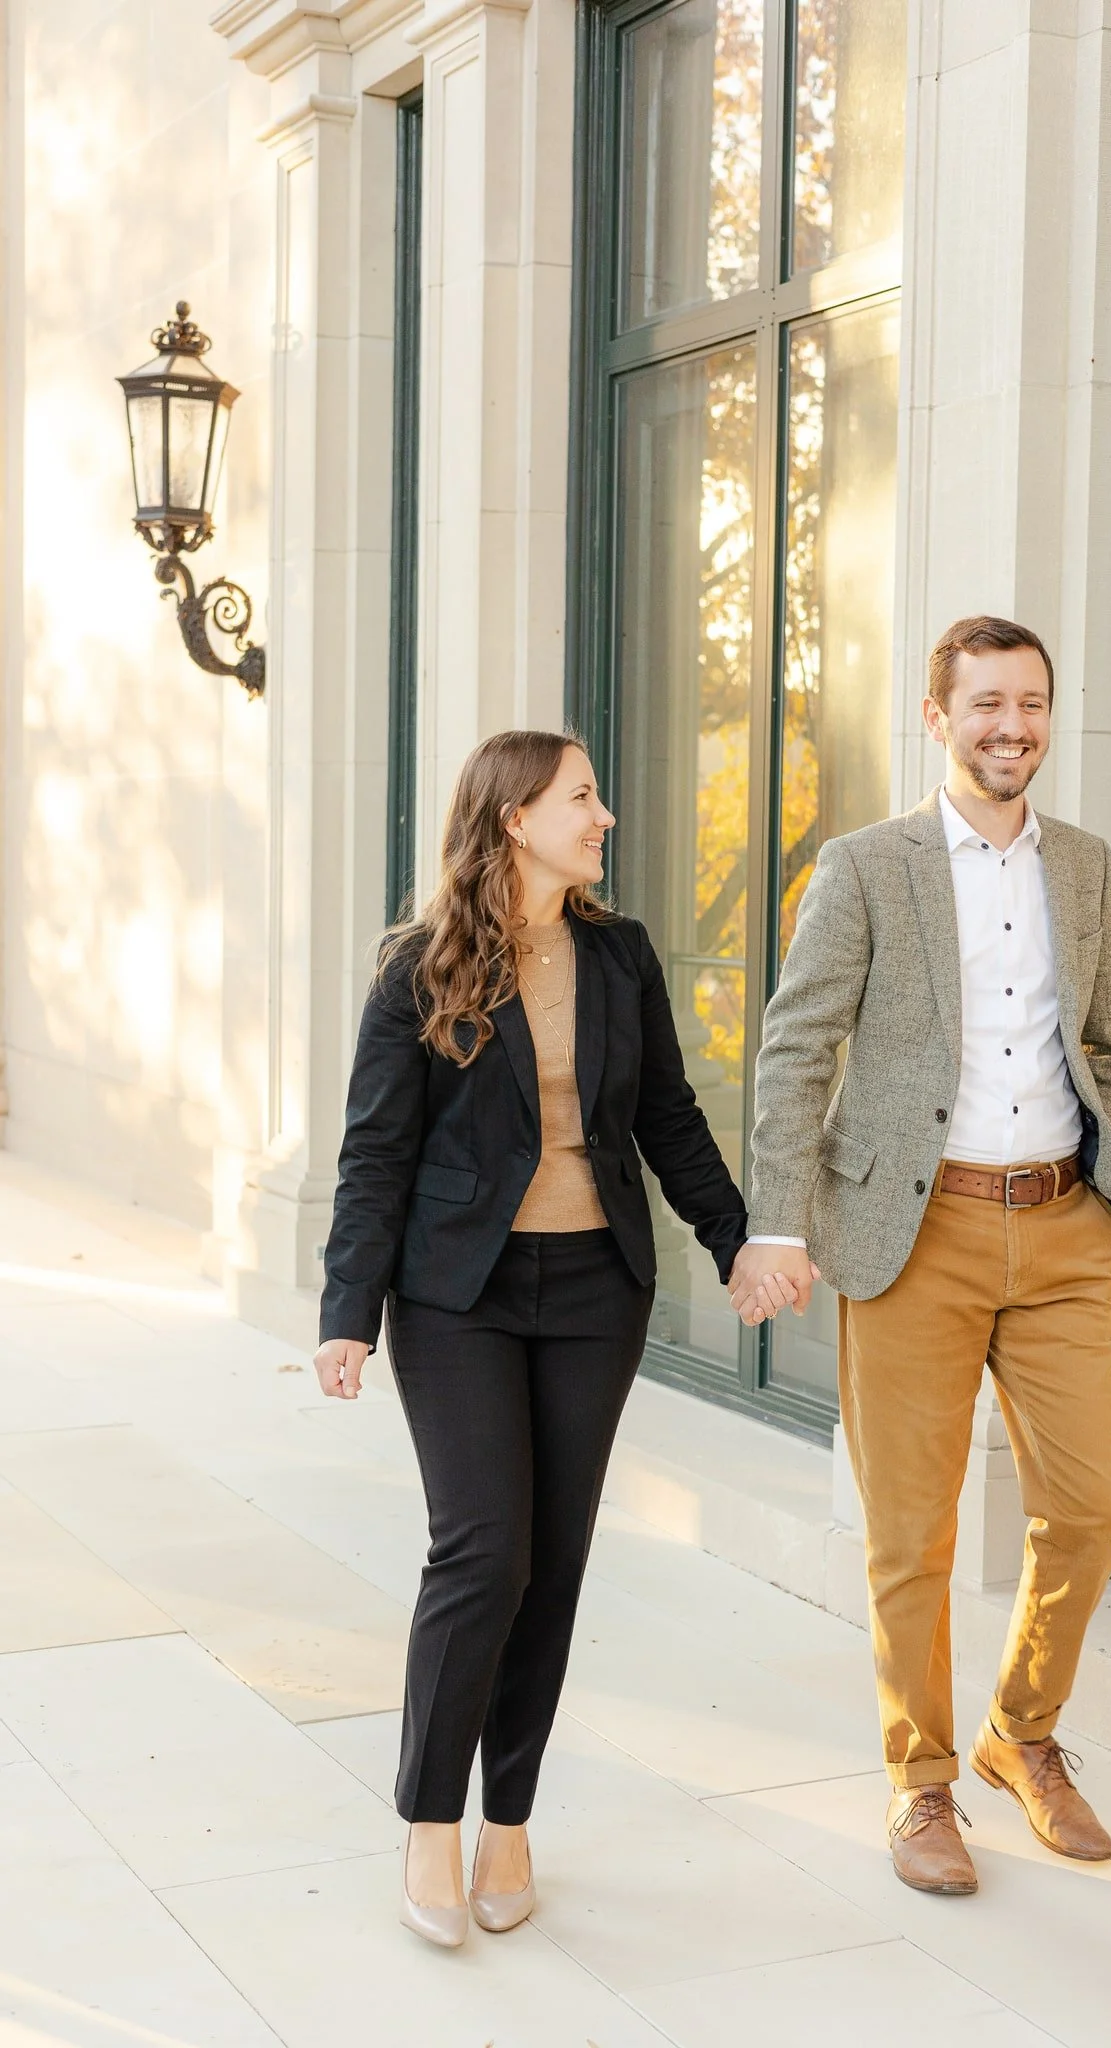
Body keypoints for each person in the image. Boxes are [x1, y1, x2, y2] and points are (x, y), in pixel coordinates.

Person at [728, 616, 1111, 1896]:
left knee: (1093, 1500)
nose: (1012, 725)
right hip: (913, 1234)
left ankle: (1021, 1733)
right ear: (940, 717)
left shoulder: (1081, 866)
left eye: (1031, 702)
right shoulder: (867, 866)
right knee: (912, 1532)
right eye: (986, 703)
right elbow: (797, 1044)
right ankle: (920, 1782)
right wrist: (780, 1219)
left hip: (1066, 1225)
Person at [313, 730, 756, 1948]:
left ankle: (509, 1815)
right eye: (581, 796)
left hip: (593, 1291)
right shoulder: (420, 966)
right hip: (460, 1293)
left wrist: (733, 1237)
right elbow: (376, 1153)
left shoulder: (617, 955)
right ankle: (427, 1824)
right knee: (482, 1552)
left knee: (552, 1561)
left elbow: (667, 1111)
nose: (604, 814)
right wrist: (349, 1309)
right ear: (514, 816)